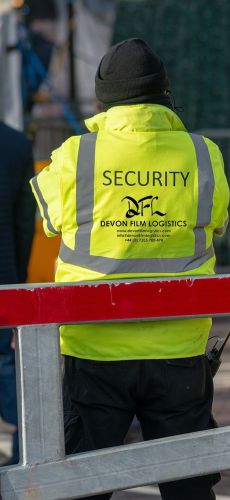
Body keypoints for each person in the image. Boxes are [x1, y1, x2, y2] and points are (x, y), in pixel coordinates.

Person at [30, 38, 230, 499]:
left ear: (104, 100)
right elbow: (215, 222)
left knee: (83, 485)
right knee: (189, 487)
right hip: (180, 346)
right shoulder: (204, 154)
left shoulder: (76, 156)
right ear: (165, 93)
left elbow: (48, 220)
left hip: (94, 349)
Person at [0, 121, 36, 466]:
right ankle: (23, 466)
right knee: (10, 370)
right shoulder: (15, 144)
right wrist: (18, 280)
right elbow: (25, 222)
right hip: (4, 281)